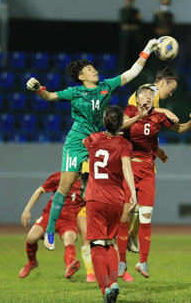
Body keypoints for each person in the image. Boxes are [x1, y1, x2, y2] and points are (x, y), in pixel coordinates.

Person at [26, 38, 159, 251]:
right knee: (65, 186)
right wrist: (37, 88)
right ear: (81, 76)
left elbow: (132, 72)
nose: (94, 70)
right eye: (89, 69)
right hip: (77, 143)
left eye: (93, 67)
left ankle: (121, 231)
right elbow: (48, 96)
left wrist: (147, 50)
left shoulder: (106, 86)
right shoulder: (74, 92)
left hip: (99, 143)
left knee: (111, 184)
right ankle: (50, 229)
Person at [117, 85, 191, 279]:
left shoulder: (158, 116)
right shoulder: (128, 112)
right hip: (128, 168)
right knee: (125, 214)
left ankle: (143, 262)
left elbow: (180, 129)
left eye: (150, 94)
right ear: (136, 100)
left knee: (146, 216)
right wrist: (139, 116)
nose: (147, 96)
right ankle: (122, 261)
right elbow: (120, 126)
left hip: (147, 170)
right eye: (143, 94)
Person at [83, 105, 138, 303]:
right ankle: (114, 282)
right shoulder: (124, 144)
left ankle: (105, 288)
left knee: (96, 244)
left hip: (95, 198)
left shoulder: (93, 139)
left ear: (105, 121)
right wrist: (131, 192)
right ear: (121, 123)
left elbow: (83, 140)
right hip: (116, 199)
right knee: (110, 243)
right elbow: (126, 167)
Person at [125, 66, 179, 253]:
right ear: (162, 83)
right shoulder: (150, 91)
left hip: (142, 152)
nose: (170, 94)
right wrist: (165, 111)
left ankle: (130, 236)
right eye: (170, 90)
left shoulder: (151, 95)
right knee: (132, 204)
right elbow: (142, 114)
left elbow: (148, 130)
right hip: (132, 156)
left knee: (140, 205)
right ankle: (126, 236)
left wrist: (159, 152)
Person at [19, 170, 85, 280]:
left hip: (69, 219)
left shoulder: (87, 181)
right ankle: (32, 262)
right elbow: (40, 190)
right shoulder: (60, 176)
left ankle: (69, 267)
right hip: (50, 215)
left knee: (69, 239)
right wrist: (27, 209)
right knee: (31, 238)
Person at [119, 0, 142, 71]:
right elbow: (124, 22)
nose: (129, 0)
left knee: (134, 54)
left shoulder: (135, 11)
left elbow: (138, 22)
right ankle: (122, 70)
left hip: (134, 36)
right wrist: (132, 26)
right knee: (125, 53)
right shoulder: (123, 10)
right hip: (125, 36)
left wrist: (132, 27)